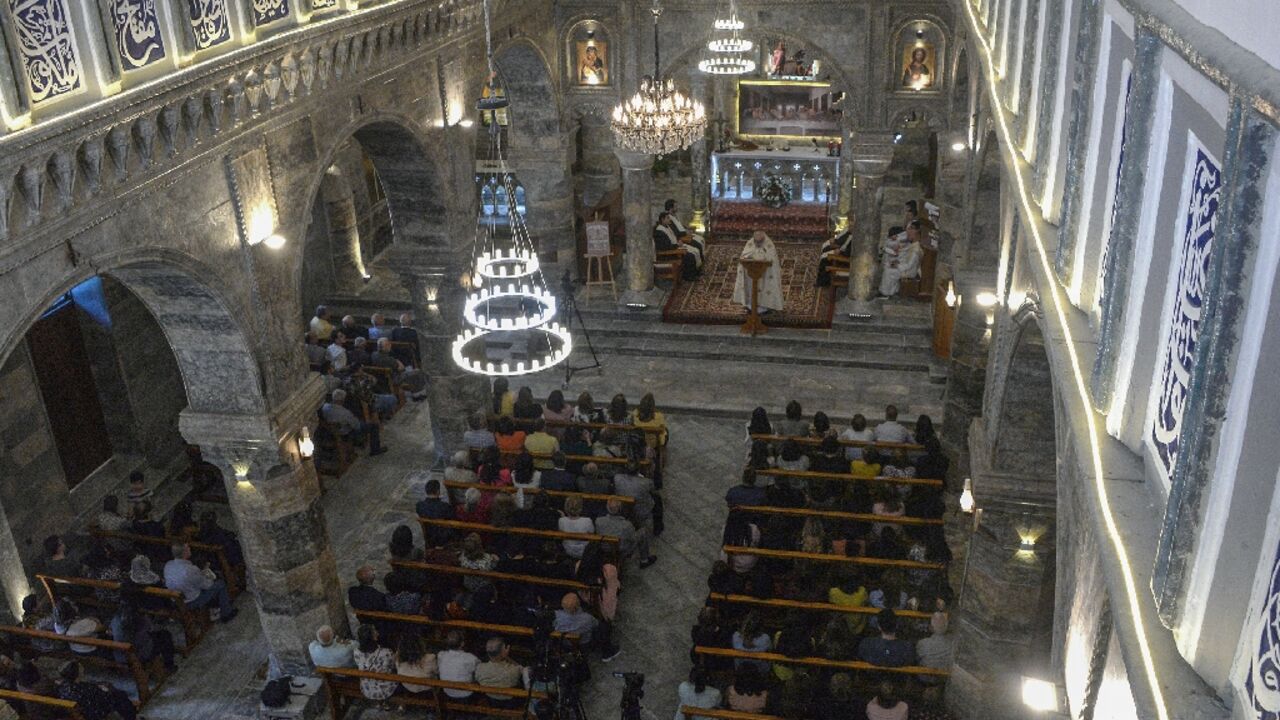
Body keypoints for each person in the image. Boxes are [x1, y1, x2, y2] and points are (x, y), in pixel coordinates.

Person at [164, 543, 236, 622]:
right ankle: (227, 613)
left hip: (175, 600)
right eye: (188, 548)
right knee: (220, 584)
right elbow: (207, 585)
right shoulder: (189, 570)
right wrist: (210, 577)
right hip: (190, 601)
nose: (190, 549)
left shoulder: (168, 565)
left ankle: (217, 605)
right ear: (184, 553)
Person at [111, 589, 177, 671]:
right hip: (139, 653)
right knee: (165, 635)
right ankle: (169, 665)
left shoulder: (116, 617)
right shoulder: (138, 617)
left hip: (120, 655)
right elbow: (150, 629)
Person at [55, 661, 137, 720]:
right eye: (80, 668)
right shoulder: (84, 689)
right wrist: (106, 690)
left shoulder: (63, 686)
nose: (82, 669)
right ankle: (131, 717)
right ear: (77, 674)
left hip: (82, 708)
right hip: (93, 712)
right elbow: (99, 697)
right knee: (120, 696)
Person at [612, 463, 658, 568]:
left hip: (623, 509)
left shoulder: (617, 478)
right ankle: (644, 559)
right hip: (640, 510)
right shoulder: (645, 482)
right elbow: (652, 488)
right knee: (655, 501)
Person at [732, 231, 784, 314]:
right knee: (750, 283)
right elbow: (744, 256)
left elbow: (771, 259)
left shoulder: (769, 245)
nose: (757, 243)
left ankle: (765, 306)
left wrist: (760, 256)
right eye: (756, 241)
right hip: (751, 273)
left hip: (765, 274)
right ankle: (750, 305)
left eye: (760, 241)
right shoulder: (750, 244)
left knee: (764, 284)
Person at [323, 389, 385, 455]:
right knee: (374, 427)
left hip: (332, 431)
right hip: (345, 432)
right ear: (342, 400)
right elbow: (356, 426)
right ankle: (375, 449)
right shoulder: (345, 413)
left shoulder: (325, 407)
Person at [353, 624, 398, 703]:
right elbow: (393, 667)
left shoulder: (356, 652)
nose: (377, 633)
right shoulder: (386, 653)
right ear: (373, 638)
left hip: (367, 689)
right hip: (384, 690)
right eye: (375, 632)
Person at [879, 220, 924, 297]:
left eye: (911, 231)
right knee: (888, 265)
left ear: (916, 232)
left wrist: (897, 265)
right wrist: (897, 262)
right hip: (906, 267)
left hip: (910, 271)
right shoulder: (913, 245)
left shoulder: (916, 249)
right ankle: (892, 290)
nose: (908, 233)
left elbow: (909, 265)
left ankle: (886, 293)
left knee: (889, 271)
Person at [475, 637, 525, 706]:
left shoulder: (480, 668)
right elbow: (523, 670)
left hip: (490, 698)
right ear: (504, 651)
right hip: (510, 701)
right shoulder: (514, 670)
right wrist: (506, 657)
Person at [654, 212, 701, 279]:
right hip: (669, 254)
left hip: (675, 248)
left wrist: (678, 242)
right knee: (690, 256)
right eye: (667, 218)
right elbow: (664, 247)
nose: (669, 219)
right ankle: (689, 276)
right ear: (662, 219)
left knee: (695, 250)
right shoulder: (659, 231)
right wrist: (677, 245)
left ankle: (696, 273)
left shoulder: (667, 227)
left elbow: (674, 237)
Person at [437, 629, 481, 699]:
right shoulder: (470, 658)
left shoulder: (441, 655)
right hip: (467, 693)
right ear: (462, 643)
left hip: (447, 691)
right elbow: (480, 669)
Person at [915, 611, 954, 683]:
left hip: (925, 678)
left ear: (931, 627)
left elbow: (916, 657)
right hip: (945, 678)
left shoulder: (923, 643)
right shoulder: (953, 642)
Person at [417, 479, 457, 547]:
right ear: (438, 491)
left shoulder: (419, 506)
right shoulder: (445, 507)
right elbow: (452, 518)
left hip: (429, 535)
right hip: (443, 537)